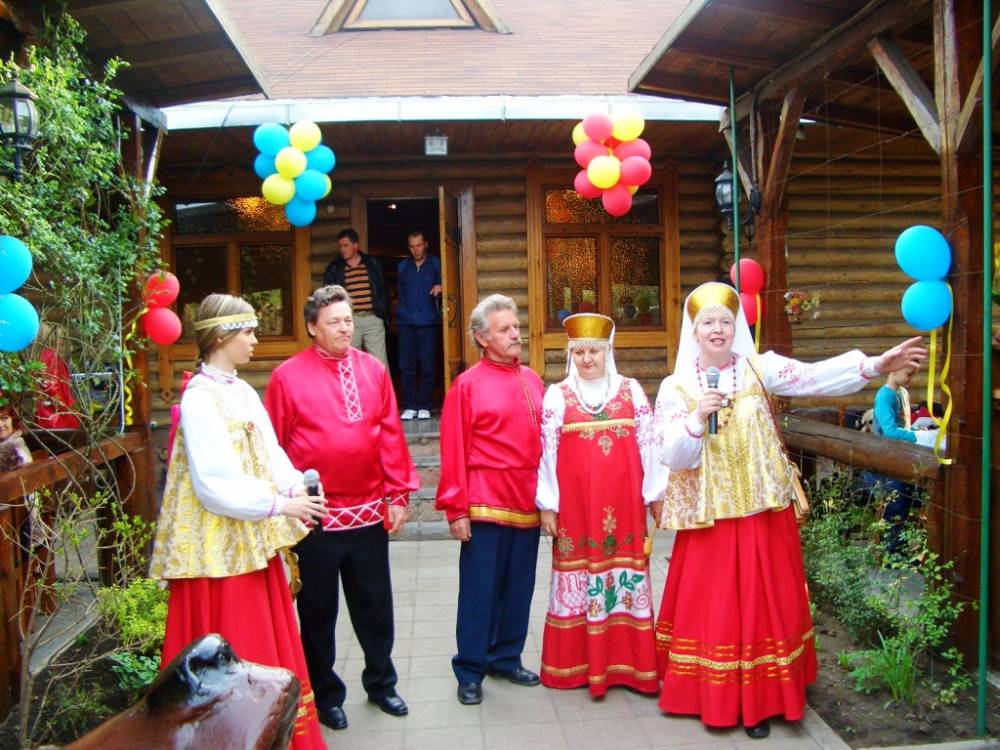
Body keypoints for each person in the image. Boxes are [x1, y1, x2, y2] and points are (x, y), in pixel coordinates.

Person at [653, 282, 927, 739]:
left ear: (736, 327)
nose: (718, 329)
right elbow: (673, 456)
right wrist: (697, 418)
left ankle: (761, 700)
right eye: (708, 323)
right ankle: (713, 695)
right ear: (694, 331)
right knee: (716, 608)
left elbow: (814, 377)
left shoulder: (760, 368)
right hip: (711, 518)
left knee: (762, 605)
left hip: (763, 512)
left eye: (726, 321)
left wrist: (875, 365)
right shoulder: (675, 387)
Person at [148, 293, 328, 750]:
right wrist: (278, 506)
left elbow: (271, 454)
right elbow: (214, 483)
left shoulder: (242, 391)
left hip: (249, 541)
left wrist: (296, 488)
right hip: (217, 554)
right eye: (247, 331)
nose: (254, 340)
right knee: (235, 644)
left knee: (265, 644)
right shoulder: (199, 398)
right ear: (221, 336)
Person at [264, 284, 418, 731]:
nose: (345, 328)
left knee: (375, 606)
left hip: (368, 513)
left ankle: (382, 684)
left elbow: (390, 434)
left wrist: (398, 495)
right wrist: (286, 505)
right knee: (318, 612)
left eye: (348, 320)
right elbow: (273, 447)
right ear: (312, 327)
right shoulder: (286, 377)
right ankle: (325, 695)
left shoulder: (374, 369)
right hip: (316, 517)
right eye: (334, 322)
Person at [535, 313, 666, 697]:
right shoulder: (557, 396)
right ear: (571, 354)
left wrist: (656, 495)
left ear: (608, 351)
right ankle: (574, 667)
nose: (587, 359)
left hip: (624, 509)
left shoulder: (631, 391)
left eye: (594, 351)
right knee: (578, 574)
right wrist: (548, 504)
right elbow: (547, 454)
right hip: (577, 512)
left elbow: (649, 446)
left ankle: (631, 667)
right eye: (579, 352)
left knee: (624, 575)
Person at [436, 294, 544, 706]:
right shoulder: (466, 386)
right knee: (479, 593)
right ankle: (470, 669)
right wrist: (456, 509)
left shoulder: (533, 379)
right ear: (482, 338)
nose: (516, 334)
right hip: (484, 502)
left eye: (516, 326)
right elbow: (454, 449)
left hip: (527, 501)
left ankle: (506, 657)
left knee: (519, 587)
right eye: (505, 329)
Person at [868, 364, 934, 553]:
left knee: (905, 504)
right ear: (894, 370)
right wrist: (917, 436)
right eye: (908, 374)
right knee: (895, 507)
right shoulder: (884, 396)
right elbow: (889, 431)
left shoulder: (902, 393)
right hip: (887, 458)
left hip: (902, 456)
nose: (910, 379)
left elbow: (903, 425)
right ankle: (892, 555)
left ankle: (901, 551)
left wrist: (915, 430)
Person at [322, 228, 389, 366]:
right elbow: (328, 297)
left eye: (345, 245)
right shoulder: (334, 268)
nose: (342, 249)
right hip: (349, 321)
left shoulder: (372, 264)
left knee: (379, 363)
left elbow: (383, 290)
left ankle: (383, 383)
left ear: (356, 245)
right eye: (340, 246)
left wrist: (383, 315)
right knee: (350, 363)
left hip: (373, 318)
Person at [396, 229, 442, 420]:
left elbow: (446, 283)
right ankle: (409, 405)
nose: (415, 249)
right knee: (406, 365)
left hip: (429, 322)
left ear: (426, 244)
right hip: (405, 322)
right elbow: (400, 292)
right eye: (412, 246)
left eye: (419, 245)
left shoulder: (436, 263)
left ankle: (425, 405)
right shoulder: (403, 266)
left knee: (427, 365)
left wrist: (441, 286)